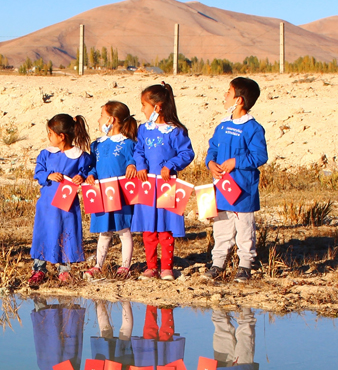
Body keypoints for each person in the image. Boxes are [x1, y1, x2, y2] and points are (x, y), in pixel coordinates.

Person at [204, 77, 269, 283]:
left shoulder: (253, 128)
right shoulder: (222, 126)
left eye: (228, 92)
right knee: (221, 227)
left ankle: (245, 266)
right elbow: (212, 148)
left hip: (243, 190)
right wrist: (210, 163)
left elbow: (260, 156)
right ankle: (218, 264)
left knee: (244, 230)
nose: (225, 95)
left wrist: (236, 161)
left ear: (239, 100)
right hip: (222, 189)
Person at [127, 83, 194, 280]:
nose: (141, 109)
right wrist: (140, 165)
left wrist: (171, 165)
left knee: (165, 228)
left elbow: (187, 153)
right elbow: (138, 150)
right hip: (147, 185)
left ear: (157, 107)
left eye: (144, 105)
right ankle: (151, 267)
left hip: (167, 186)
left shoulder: (176, 131)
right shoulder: (144, 130)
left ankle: (166, 267)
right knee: (149, 228)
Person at [29, 114, 91, 287]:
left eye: (50, 133)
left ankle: (64, 270)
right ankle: (39, 268)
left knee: (66, 233)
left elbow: (90, 169)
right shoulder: (46, 154)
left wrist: (82, 176)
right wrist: (48, 175)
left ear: (61, 136)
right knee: (44, 233)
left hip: (67, 206)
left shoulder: (80, 156)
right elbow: (38, 172)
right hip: (47, 205)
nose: (49, 137)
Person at [83, 102, 138, 279]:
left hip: (120, 194)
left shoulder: (128, 144)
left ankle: (125, 266)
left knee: (124, 230)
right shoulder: (96, 144)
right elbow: (92, 165)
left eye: (101, 115)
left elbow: (136, 159)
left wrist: (132, 164)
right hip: (101, 193)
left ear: (111, 119)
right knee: (104, 231)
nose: (99, 119)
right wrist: (91, 175)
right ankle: (98, 265)